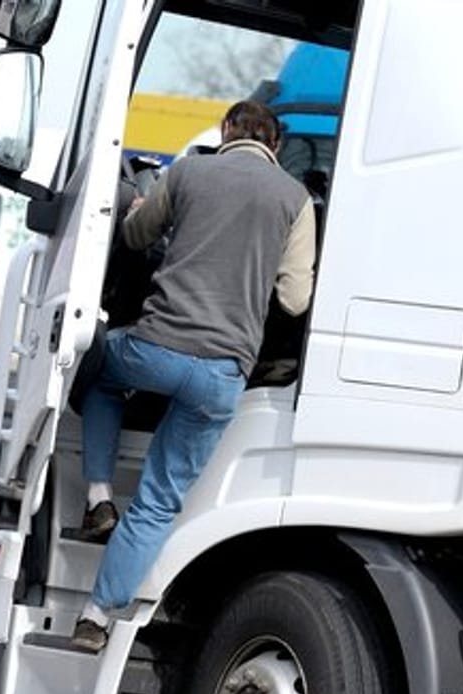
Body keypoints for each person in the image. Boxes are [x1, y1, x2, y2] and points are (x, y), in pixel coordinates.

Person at [71, 100, 317, 651]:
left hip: (153, 350)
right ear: (274, 145)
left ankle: (97, 495)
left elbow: (135, 237)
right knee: (159, 501)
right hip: (222, 375)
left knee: (98, 366)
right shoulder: (297, 199)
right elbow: (295, 300)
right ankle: (95, 618)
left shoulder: (188, 171)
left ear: (227, 130)